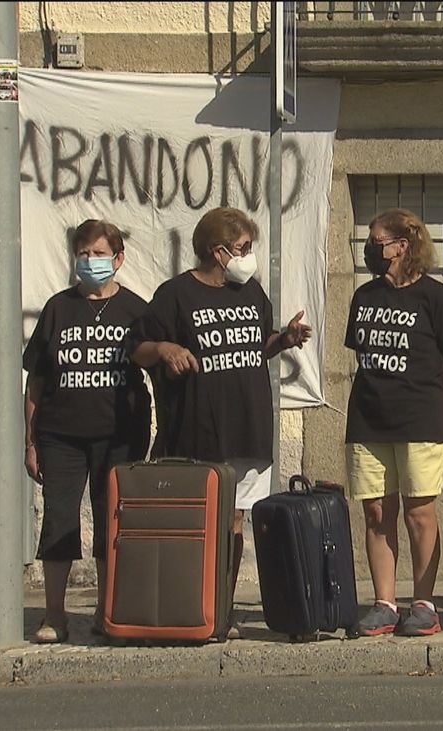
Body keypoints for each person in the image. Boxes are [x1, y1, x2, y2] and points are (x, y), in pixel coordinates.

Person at [128, 207, 311, 639]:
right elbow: (138, 348)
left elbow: (253, 345)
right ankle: (192, 607)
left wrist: (282, 340)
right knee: (200, 522)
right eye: (244, 248)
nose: (250, 256)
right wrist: (166, 348)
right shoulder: (175, 295)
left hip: (248, 428)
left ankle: (221, 612)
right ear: (219, 251)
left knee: (234, 522)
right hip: (197, 429)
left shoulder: (251, 292)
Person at [23, 220, 151, 643]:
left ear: (118, 259)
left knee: (111, 522)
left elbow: (156, 374)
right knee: (59, 521)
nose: (89, 261)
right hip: (60, 435)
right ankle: (55, 614)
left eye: (98, 253)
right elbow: (36, 381)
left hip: (119, 435)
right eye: (83, 253)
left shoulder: (136, 310)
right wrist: (31, 440)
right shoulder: (58, 308)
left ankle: (106, 609)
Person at [346, 208, 443, 638]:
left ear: (402, 245)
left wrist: (435, 404)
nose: (369, 249)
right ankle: (384, 602)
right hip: (368, 421)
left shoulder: (436, 298)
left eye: (376, 241)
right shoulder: (364, 297)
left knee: (419, 513)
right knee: (378, 513)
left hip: (420, 423)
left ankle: (423, 602)